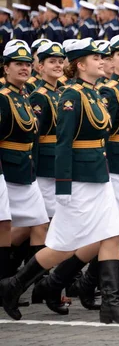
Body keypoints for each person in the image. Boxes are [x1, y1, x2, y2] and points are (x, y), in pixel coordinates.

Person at [0, 38, 119, 324]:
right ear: (81, 65)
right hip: (79, 179)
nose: (102, 61)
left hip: (99, 176)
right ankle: (14, 285)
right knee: (62, 245)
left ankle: (110, 306)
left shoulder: (95, 93)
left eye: (102, 57)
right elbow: (63, 143)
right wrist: (63, 185)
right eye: (95, 58)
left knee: (111, 234)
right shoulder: (72, 96)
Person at [0, 39, 50, 285]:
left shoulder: (24, 95)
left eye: (28, 64)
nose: (24, 68)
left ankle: (36, 284)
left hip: (25, 170)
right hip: (7, 171)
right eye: (18, 64)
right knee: (5, 227)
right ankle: (6, 281)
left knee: (39, 223)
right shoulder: (2, 97)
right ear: (5, 68)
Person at [29, 42, 66, 222]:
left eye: (60, 61)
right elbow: (35, 135)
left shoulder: (62, 93)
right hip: (46, 163)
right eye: (52, 61)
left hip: (61, 161)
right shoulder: (39, 95)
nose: (58, 65)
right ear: (40, 67)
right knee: (46, 218)